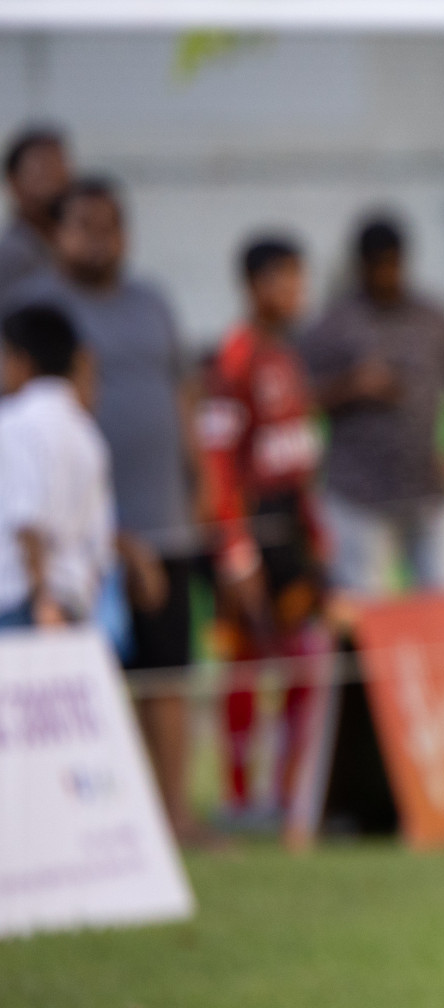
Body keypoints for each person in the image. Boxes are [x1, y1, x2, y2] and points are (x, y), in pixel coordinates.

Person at [6, 178, 205, 841]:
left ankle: (173, 819)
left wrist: (196, 479)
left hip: (164, 518)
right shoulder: (38, 313)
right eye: (86, 225)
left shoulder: (152, 302)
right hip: (79, 535)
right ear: (56, 233)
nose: (102, 239)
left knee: (168, 673)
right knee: (82, 687)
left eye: (113, 225)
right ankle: (93, 828)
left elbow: (182, 393)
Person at [201, 236, 328, 821]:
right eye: (285, 280)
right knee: (244, 668)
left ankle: (285, 794)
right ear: (254, 286)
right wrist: (235, 552)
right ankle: (236, 796)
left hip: (291, 536)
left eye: (299, 280)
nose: (296, 292)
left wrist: (315, 535)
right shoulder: (236, 358)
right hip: (250, 537)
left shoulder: (286, 356)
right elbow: (218, 462)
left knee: (303, 660)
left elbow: (296, 459)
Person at [300, 215, 444, 594]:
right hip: (358, 496)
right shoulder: (335, 324)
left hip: (428, 489)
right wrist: (352, 386)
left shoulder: (433, 318)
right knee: (366, 613)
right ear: (360, 266)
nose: (386, 275)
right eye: (377, 266)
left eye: (392, 264)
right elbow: (298, 398)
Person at [0, 304, 113, 631]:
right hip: (75, 599)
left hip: (25, 601)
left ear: (20, 362)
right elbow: (98, 538)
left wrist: (41, 598)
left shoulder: (15, 422)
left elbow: (27, 519)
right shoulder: (87, 432)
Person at [0, 127, 71, 301]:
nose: (56, 182)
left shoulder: (70, 251)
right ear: (13, 181)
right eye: (43, 171)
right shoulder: (10, 255)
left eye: (60, 168)